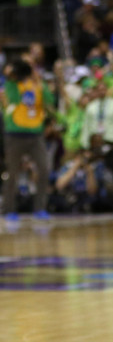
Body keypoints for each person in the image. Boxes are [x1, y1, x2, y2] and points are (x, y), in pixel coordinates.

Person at [2, 57, 54, 223]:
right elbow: (14, 99)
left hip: (36, 133)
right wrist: (13, 76)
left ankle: (40, 208)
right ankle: (9, 209)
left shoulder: (39, 85)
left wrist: (40, 85)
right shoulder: (12, 85)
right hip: (15, 134)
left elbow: (49, 102)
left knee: (44, 169)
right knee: (13, 173)